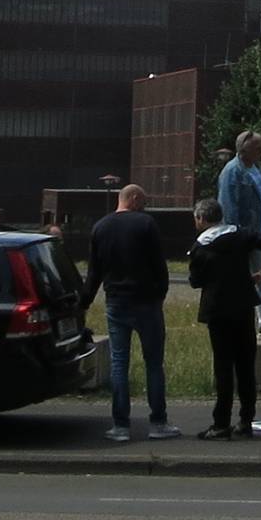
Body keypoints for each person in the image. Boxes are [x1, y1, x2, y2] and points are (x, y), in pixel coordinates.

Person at [85, 183, 174, 442]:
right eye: (143, 200)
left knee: (119, 364)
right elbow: (159, 265)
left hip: (116, 302)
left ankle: (120, 425)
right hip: (146, 302)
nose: (144, 206)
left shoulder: (100, 227)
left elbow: (94, 272)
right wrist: (160, 293)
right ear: (133, 198)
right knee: (154, 363)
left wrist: (84, 302)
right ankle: (158, 422)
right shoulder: (146, 224)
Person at [188, 196, 261, 439]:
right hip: (243, 304)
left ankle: (221, 422)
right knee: (246, 364)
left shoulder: (200, 247)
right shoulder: (240, 235)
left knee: (223, 367)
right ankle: (246, 419)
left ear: (201, 219)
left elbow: (195, 281)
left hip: (217, 309)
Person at [217, 130, 261, 336]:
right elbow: (229, 208)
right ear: (243, 149)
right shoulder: (232, 172)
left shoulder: (258, 170)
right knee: (251, 280)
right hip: (249, 235)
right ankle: (256, 323)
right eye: (257, 147)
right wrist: (239, 237)